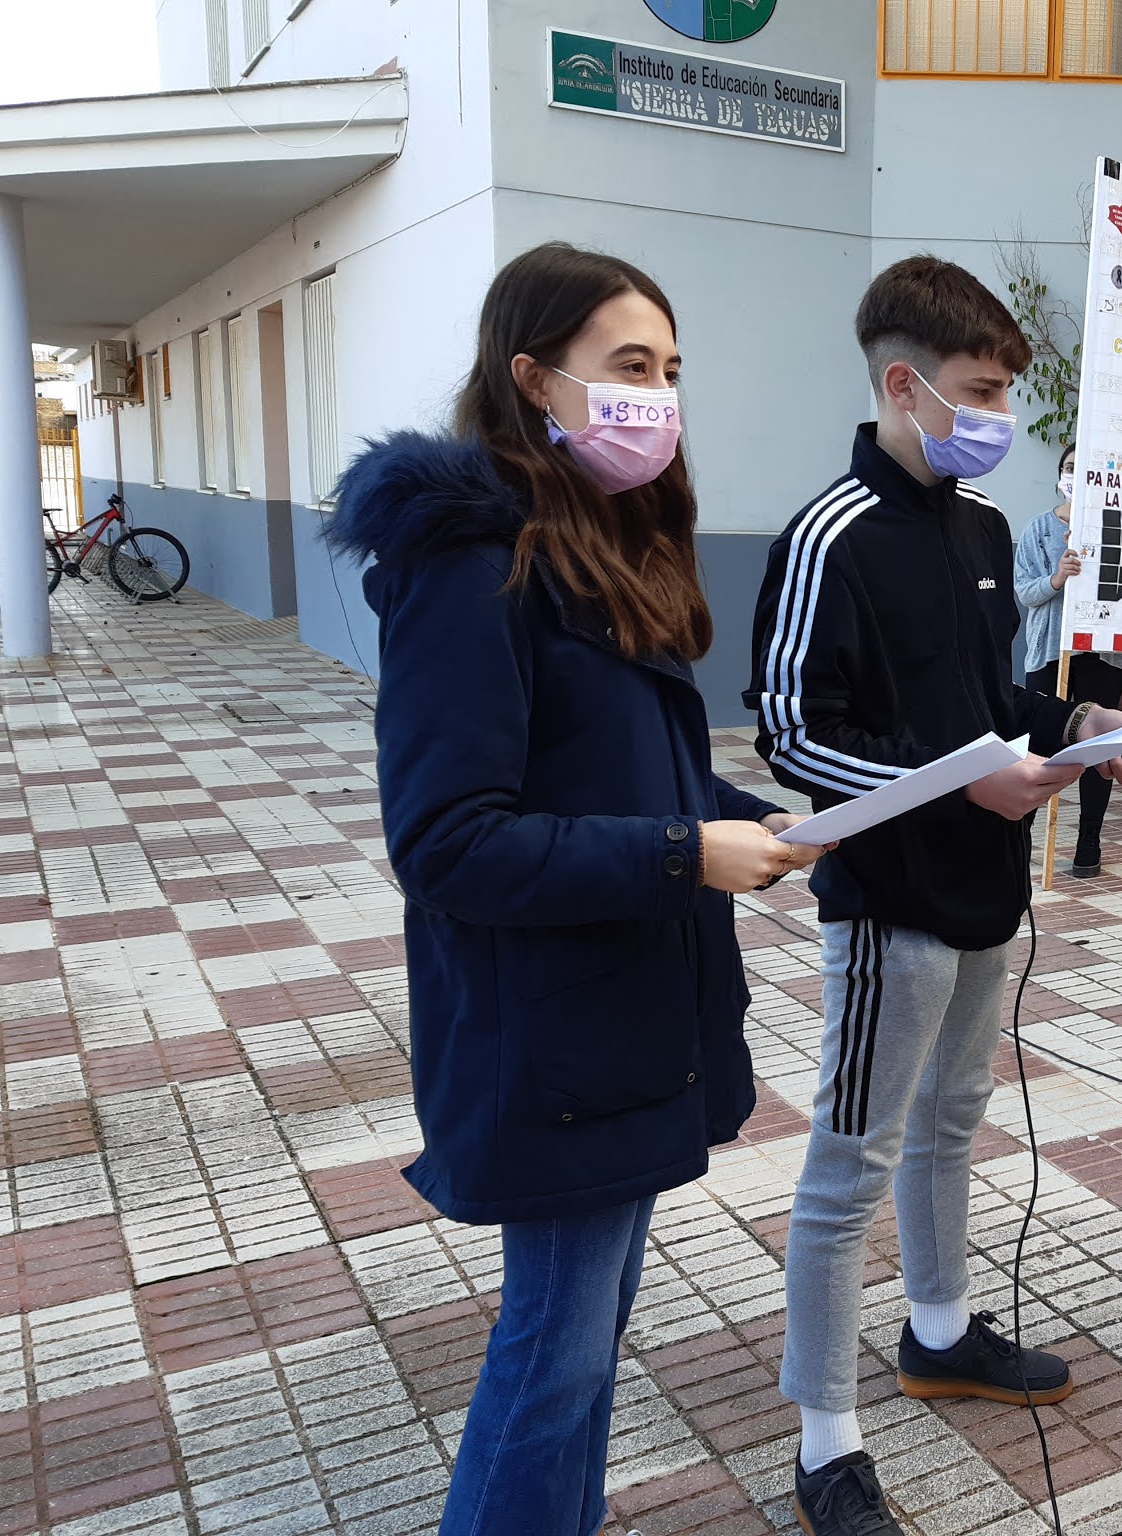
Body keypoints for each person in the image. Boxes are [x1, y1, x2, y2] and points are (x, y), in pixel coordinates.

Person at [328, 242, 827, 1536]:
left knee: (587, 1345)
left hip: (626, 1022)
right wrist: (684, 855)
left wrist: (749, 823)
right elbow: (448, 842)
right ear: (534, 379)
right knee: (552, 1358)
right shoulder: (473, 567)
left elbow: (629, 778)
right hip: (551, 1041)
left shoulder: (598, 547)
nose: (657, 398)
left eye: (670, 371)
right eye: (628, 368)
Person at [745, 256, 1122, 1536]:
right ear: (901, 385)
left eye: (1003, 396)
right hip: (889, 903)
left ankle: (937, 1332)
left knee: (952, 1121)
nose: (996, 420)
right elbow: (791, 734)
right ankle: (824, 1437)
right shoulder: (827, 537)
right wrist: (954, 784)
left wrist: (1076, 721)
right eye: (978, 393)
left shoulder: (978, 529)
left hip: (987, 888)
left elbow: (991, 701)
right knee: (850, 1161)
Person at [1015, 441, 1122, 876]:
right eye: (1069, 467)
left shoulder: (1119, 528)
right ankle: (1021, 838)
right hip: (1051, 650)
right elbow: (1025, 591)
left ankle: (1088, 841)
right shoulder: (1038, 529)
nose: (1075, 475)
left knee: (1099, 748)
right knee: (1038, 746)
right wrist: (1058, 577)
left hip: (1101, 652)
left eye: (1085, 468)